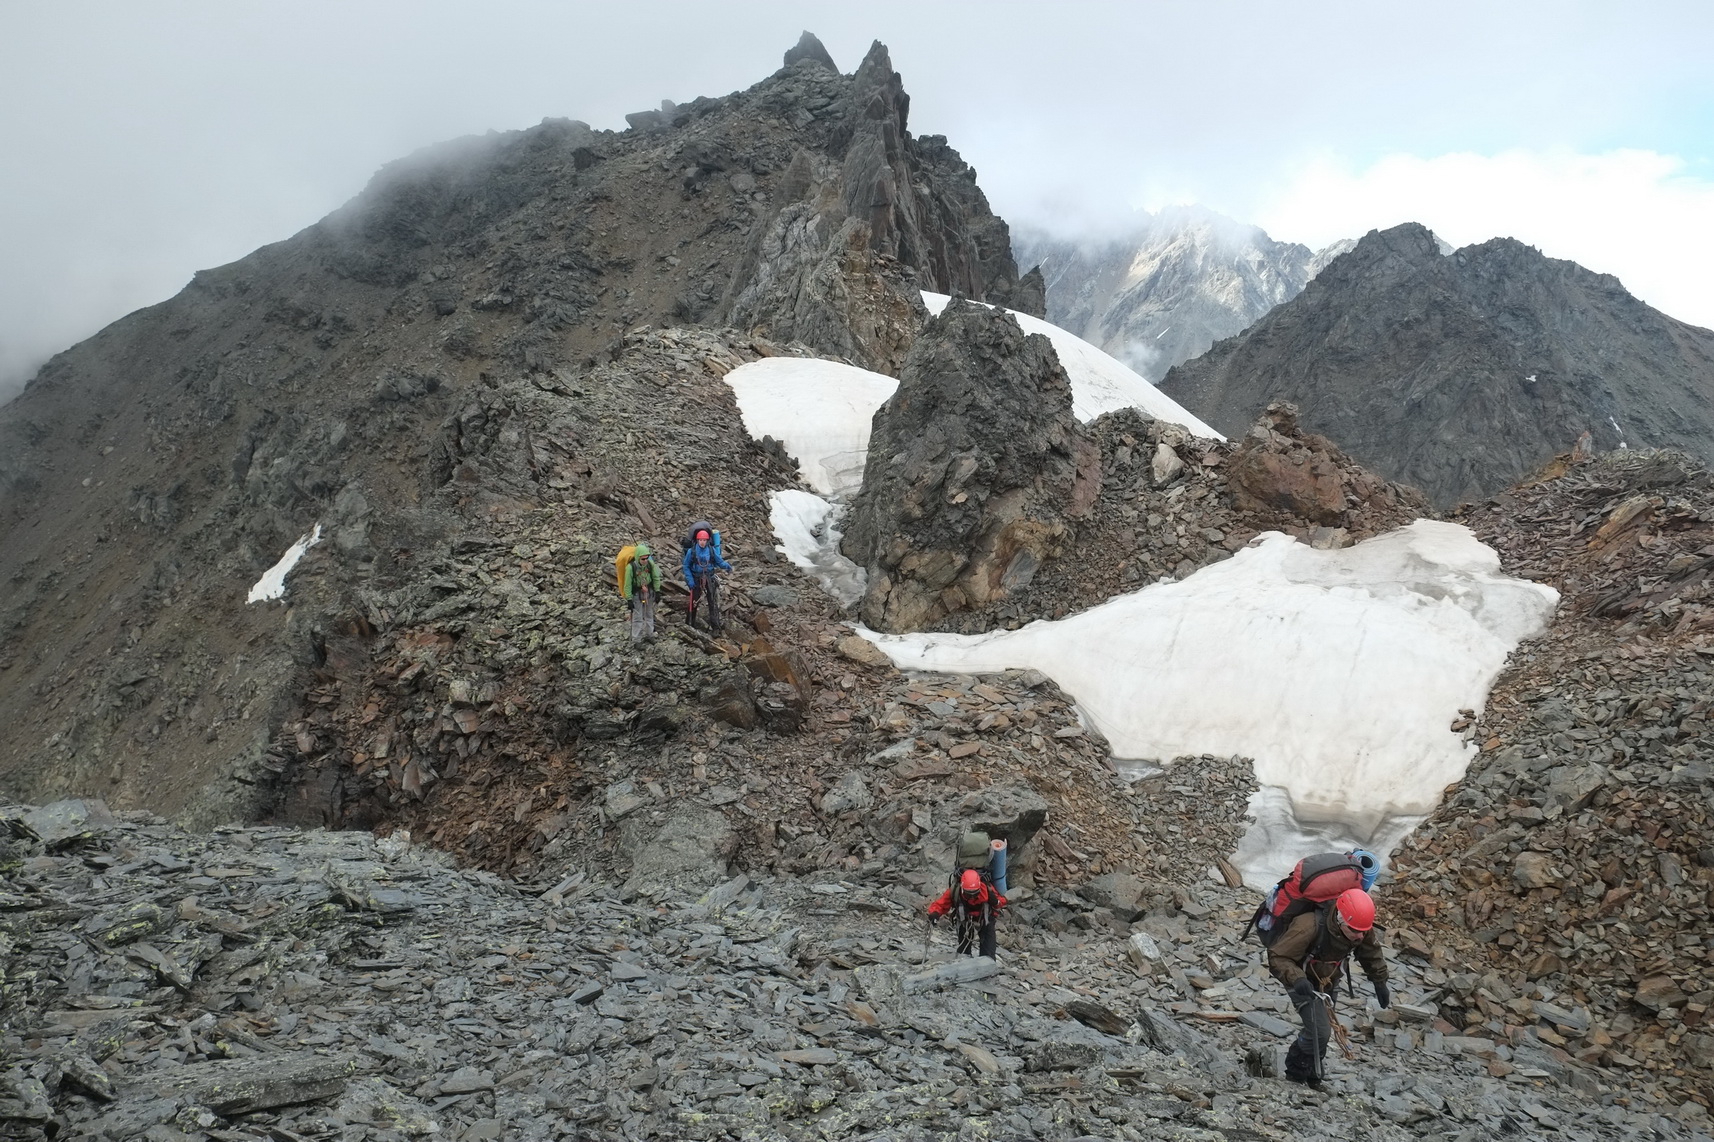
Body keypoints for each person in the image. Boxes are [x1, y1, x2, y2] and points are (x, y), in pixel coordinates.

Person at [1267, 887, 1390, 1086]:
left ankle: (1314, 1074)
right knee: (1321, 1031)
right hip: (1301, 979)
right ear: (1340, 919)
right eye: (1355, 932)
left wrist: (1380, 981)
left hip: (1329, 980)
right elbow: (1278, 956)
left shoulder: (1358, 925)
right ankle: (1296, 1073)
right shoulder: (1307, 926)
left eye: (1363, 932)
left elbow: (1371, 953)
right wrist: (1298, 980)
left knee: (1321, 1027)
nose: (1359, 937)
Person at [927, 868, 1007, 958]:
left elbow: (1002, 901)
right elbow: (941, 903)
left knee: (988, 951)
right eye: (969, 894)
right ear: (962, 888)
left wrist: (996, 902)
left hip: (985, 918)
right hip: (964, 919)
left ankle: (988, 964)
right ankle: (964, 960)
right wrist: (934, 913)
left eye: (975, 894)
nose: (972, 897)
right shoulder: (955, 890)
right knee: (963, 951)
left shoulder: (987, 890)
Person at [682, 525, 733, 631]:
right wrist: (690, 580)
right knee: (694, 602)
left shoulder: (711, 550)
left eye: (704, 540)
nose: (702, 542)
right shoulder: (691, 552)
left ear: (707, 540)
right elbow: (686, 566)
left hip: (709, 578)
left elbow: (719, 561)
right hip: (696, 579)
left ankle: (716, 627)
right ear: (697, 540)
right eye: (700, 540)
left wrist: (726, 566)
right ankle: (689, 624)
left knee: (712, 602)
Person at [621, 543, 662, 642]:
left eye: (647, 558)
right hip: (636, 594)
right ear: (637, 557)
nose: (645, 561)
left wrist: (657, 591)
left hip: (649, 592)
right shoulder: (631, 568)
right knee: (637, 617)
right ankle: (636, 639)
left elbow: (656, 578)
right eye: (643, 559)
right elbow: (627, 584)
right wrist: (629, 599)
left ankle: (650, 634)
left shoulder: (650, 565)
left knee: (649, 614)